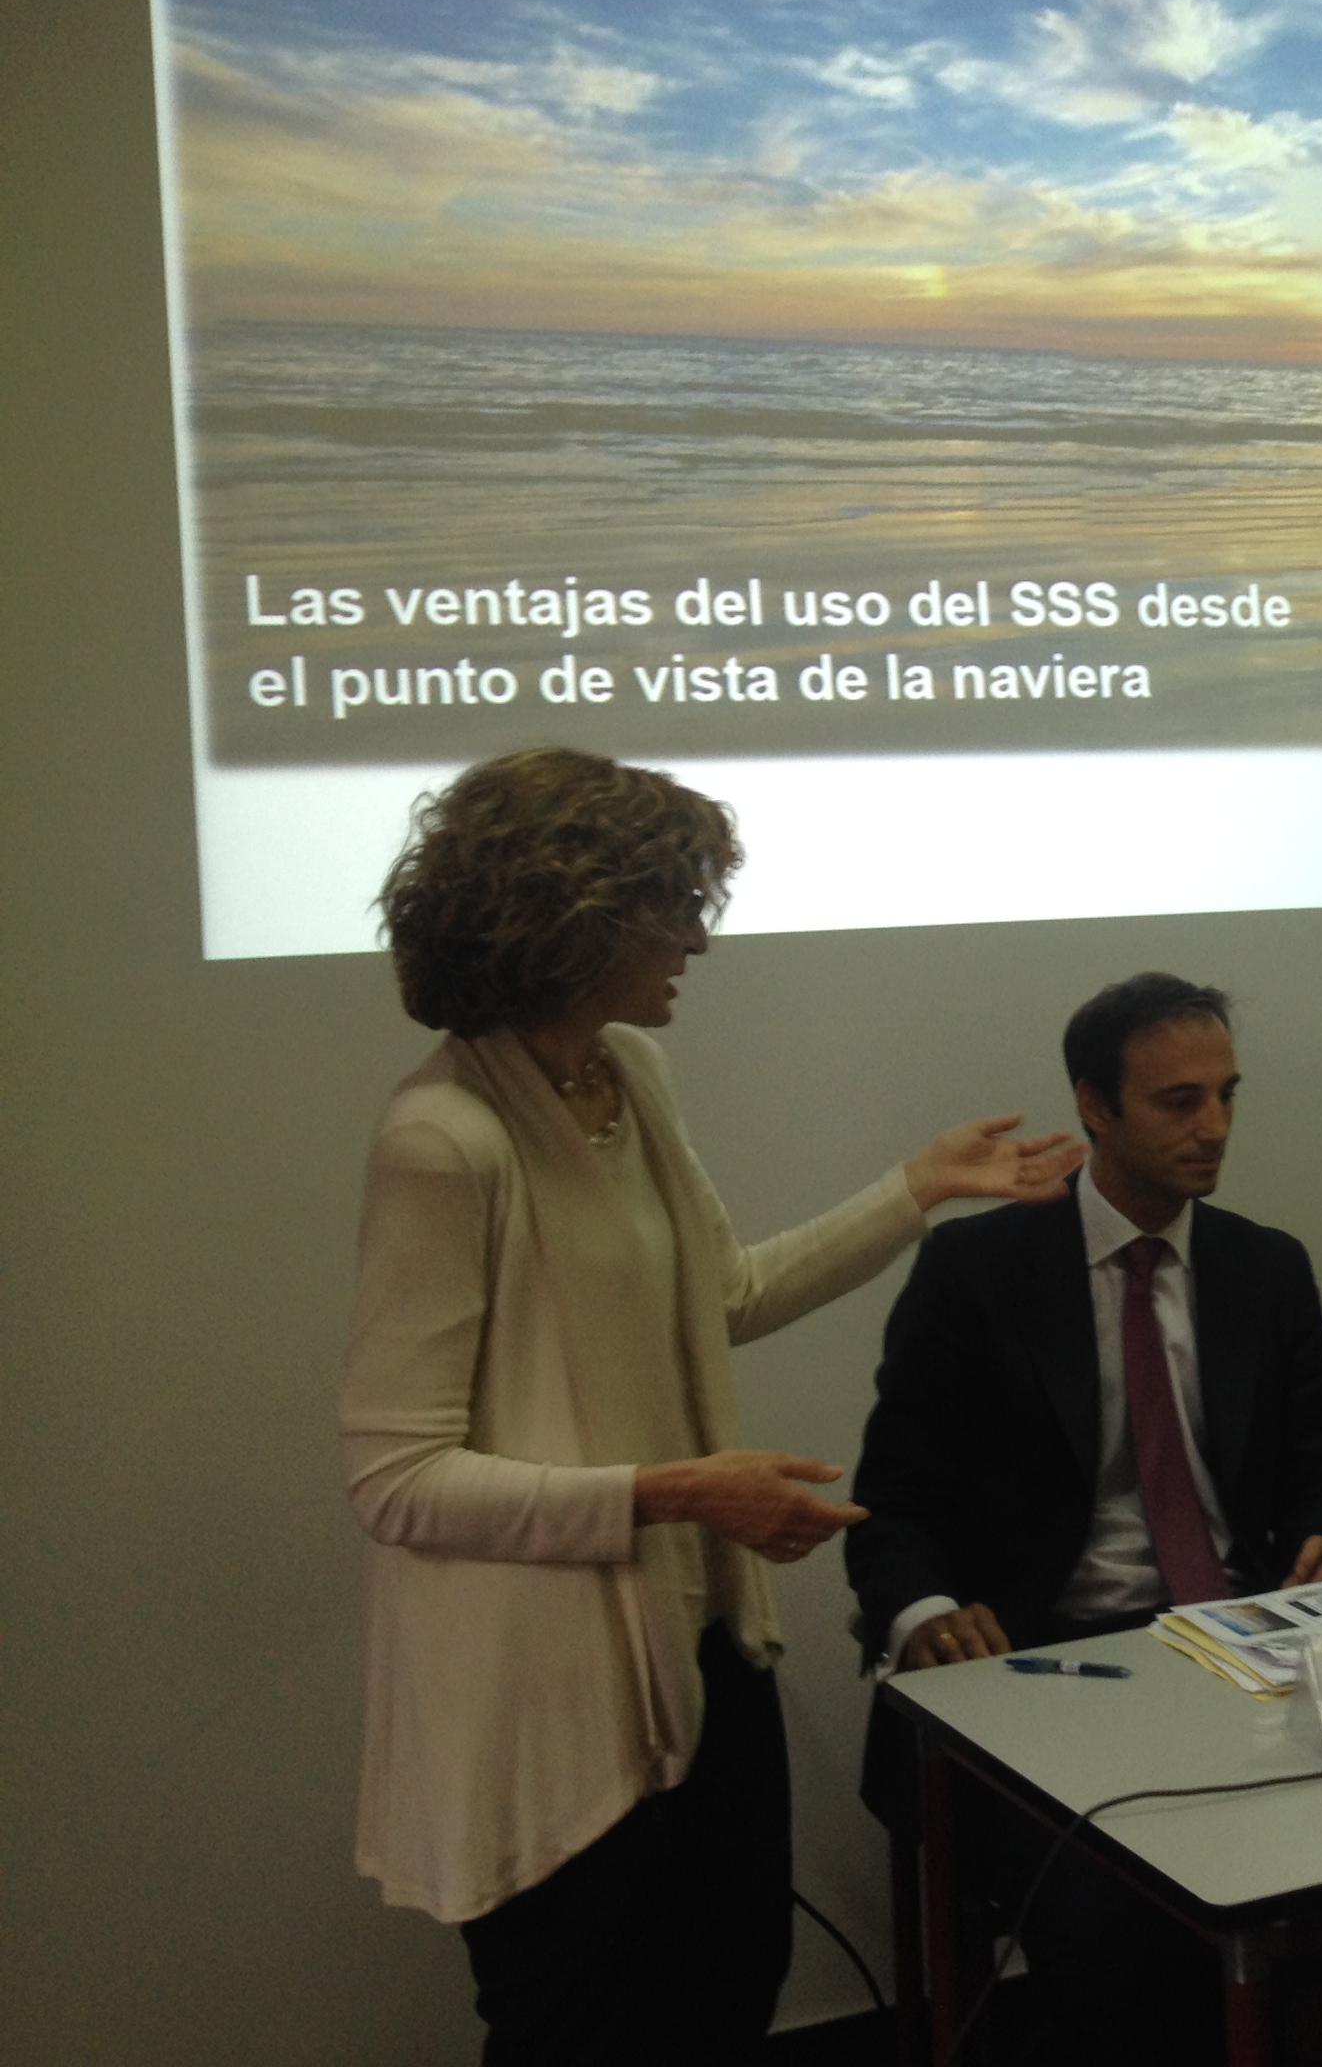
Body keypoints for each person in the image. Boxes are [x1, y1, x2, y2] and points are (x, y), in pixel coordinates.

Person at [340, 746, 1081, 2066]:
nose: (697, 939)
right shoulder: (442, 1142)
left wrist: (915, 1189)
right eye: (672, 907)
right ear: (574, 920)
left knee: (730, 1992)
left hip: (701, 1640)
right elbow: (397, 1480)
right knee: (586, 2030)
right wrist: (675, 1493)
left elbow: (722, 1294)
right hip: (546, 1692)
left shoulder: (626, 1076)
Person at [844, 972, 1322, 2056]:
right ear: (1094, 1105)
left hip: (1238, 1650)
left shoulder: (1265, 1268)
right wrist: (926, 1613)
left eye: (1227, 1095)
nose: (1215, 1127)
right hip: (1048, 1667)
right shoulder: (977, 1269)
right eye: (1181, 1101)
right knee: (1113, 1931)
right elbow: (892, 1501)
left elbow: (1321, 1472)